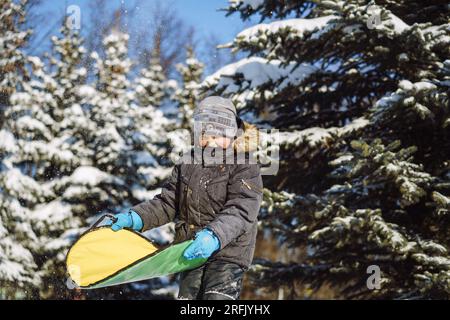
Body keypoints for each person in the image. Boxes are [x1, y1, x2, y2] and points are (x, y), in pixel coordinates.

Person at [109, 96, 263, 300]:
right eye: (205, 133)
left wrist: (214, 235)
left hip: (228, 253)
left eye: (219, 134)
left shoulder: (244, 165)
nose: (211, 140)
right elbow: (168, 203)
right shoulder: (187, 163)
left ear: (233, 133)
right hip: (191, 250)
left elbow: (242, 209)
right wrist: (136, 218)